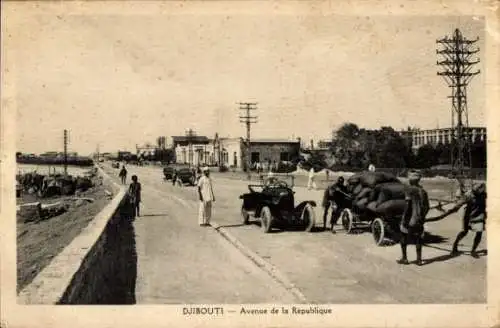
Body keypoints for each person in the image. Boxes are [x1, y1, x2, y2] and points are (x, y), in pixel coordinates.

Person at [397, 170, 429, 266]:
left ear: (411, 180)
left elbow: (408, 206)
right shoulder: (423, 191)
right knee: (418, 239)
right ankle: (419, 260)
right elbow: (427, 207)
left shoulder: (409, 190)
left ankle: (404, 258)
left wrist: (404, 219)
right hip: (419, 219)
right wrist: (422, 217)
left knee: (403, 236)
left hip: (410, 218)